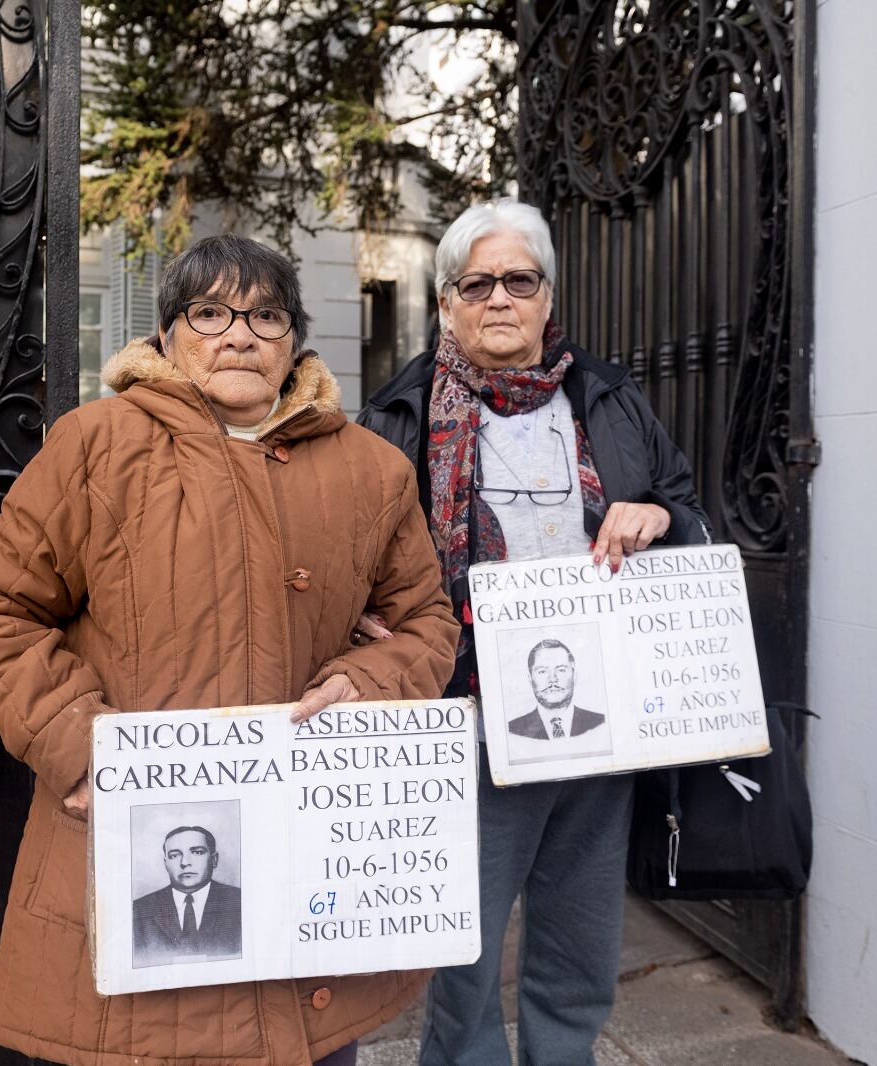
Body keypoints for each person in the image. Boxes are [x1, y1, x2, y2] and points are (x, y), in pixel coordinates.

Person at [0, 233, 459, 1066]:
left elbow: (429, 622)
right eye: (210, 312)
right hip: (127, 854)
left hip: (308, 888)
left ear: (295, 340)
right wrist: (76, 745)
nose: (240, 334)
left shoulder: (374, 470)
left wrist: (374, 679)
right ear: (169, 334)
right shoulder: (95, 446)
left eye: (266, 315)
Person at [357, 199, 710, 1066]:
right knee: (464, 943)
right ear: (446, 304)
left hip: (600, 718)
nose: (500, 300)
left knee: (581, 939)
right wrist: (361, 614)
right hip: (466, 714)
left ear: (549, 297)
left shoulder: (611, 400)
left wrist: (658, 517)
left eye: (520, 280)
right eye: (476, 284)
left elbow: (694, 518)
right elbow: (349, 561)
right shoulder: (396, 417)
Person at [132, 825, 242, 966]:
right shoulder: (139, 909)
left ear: (214, 860)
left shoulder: (240, 902)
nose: (184, 863)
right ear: (166, 864)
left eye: (197, 852)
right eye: (174, 855)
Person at [506, 640, 609, 763]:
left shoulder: (601, 723)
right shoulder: (512, 730)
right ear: (530, 679)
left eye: (561, 670)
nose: (552, 680)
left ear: (574, 676)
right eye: (542, 671)